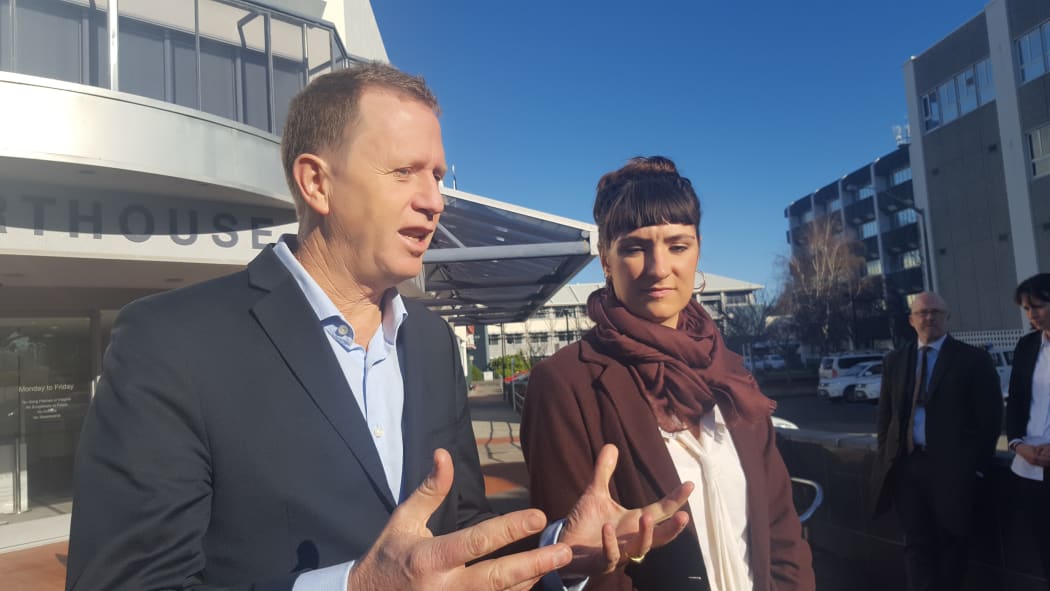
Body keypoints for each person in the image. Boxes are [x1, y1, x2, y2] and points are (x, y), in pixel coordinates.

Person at [65, 63, 692, 591]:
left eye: (438, 176)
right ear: (317, 182)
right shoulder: (172, 343)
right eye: (404, 172)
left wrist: (561, 550)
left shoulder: (430, 342)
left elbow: (456, 538)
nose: (434, 200)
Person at [521, 156, 815, 590]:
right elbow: (574, 564)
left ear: (697, 252)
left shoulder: (731, 376)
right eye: (635, 248)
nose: (660, 269)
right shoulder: (566, 384)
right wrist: (575, 566)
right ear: (605, 259)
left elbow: (782, 532)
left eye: (678, 246)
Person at [870, 291, 1002, 591]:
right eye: (923, 313)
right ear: (911, 320)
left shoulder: (973, 359)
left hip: (953, 470)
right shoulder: (895, 360)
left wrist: (977, 467)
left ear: (948, 318)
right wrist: (886, 456)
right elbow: (885, 416)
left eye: (936, 312)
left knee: (952, 542)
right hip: (907, 467)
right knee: (915, 543)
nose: (929, 317)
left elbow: (991, 418)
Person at [1006, 272, 1050, 589]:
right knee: (1044, 550)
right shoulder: (1026, 346)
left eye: (1038, 305)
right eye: (1026, 308)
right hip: (1029, 467)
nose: (1032, 314)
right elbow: (1017, 401)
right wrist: (1017, 444)